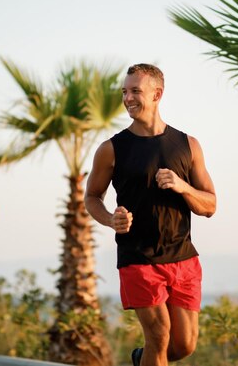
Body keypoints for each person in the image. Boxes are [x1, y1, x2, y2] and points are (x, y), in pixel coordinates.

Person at [84, 64, 216, 366]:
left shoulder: (188, 145)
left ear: (157, 94)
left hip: (183, 256)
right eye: (124, 92)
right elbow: (92, 197)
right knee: (159, 335)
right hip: (138, 256)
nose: (127, 98)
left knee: (183, 345)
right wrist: (110, 220)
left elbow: (210, 205)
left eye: (135, 91)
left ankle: (141, 360)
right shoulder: (111, 149)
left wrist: (182, 186)